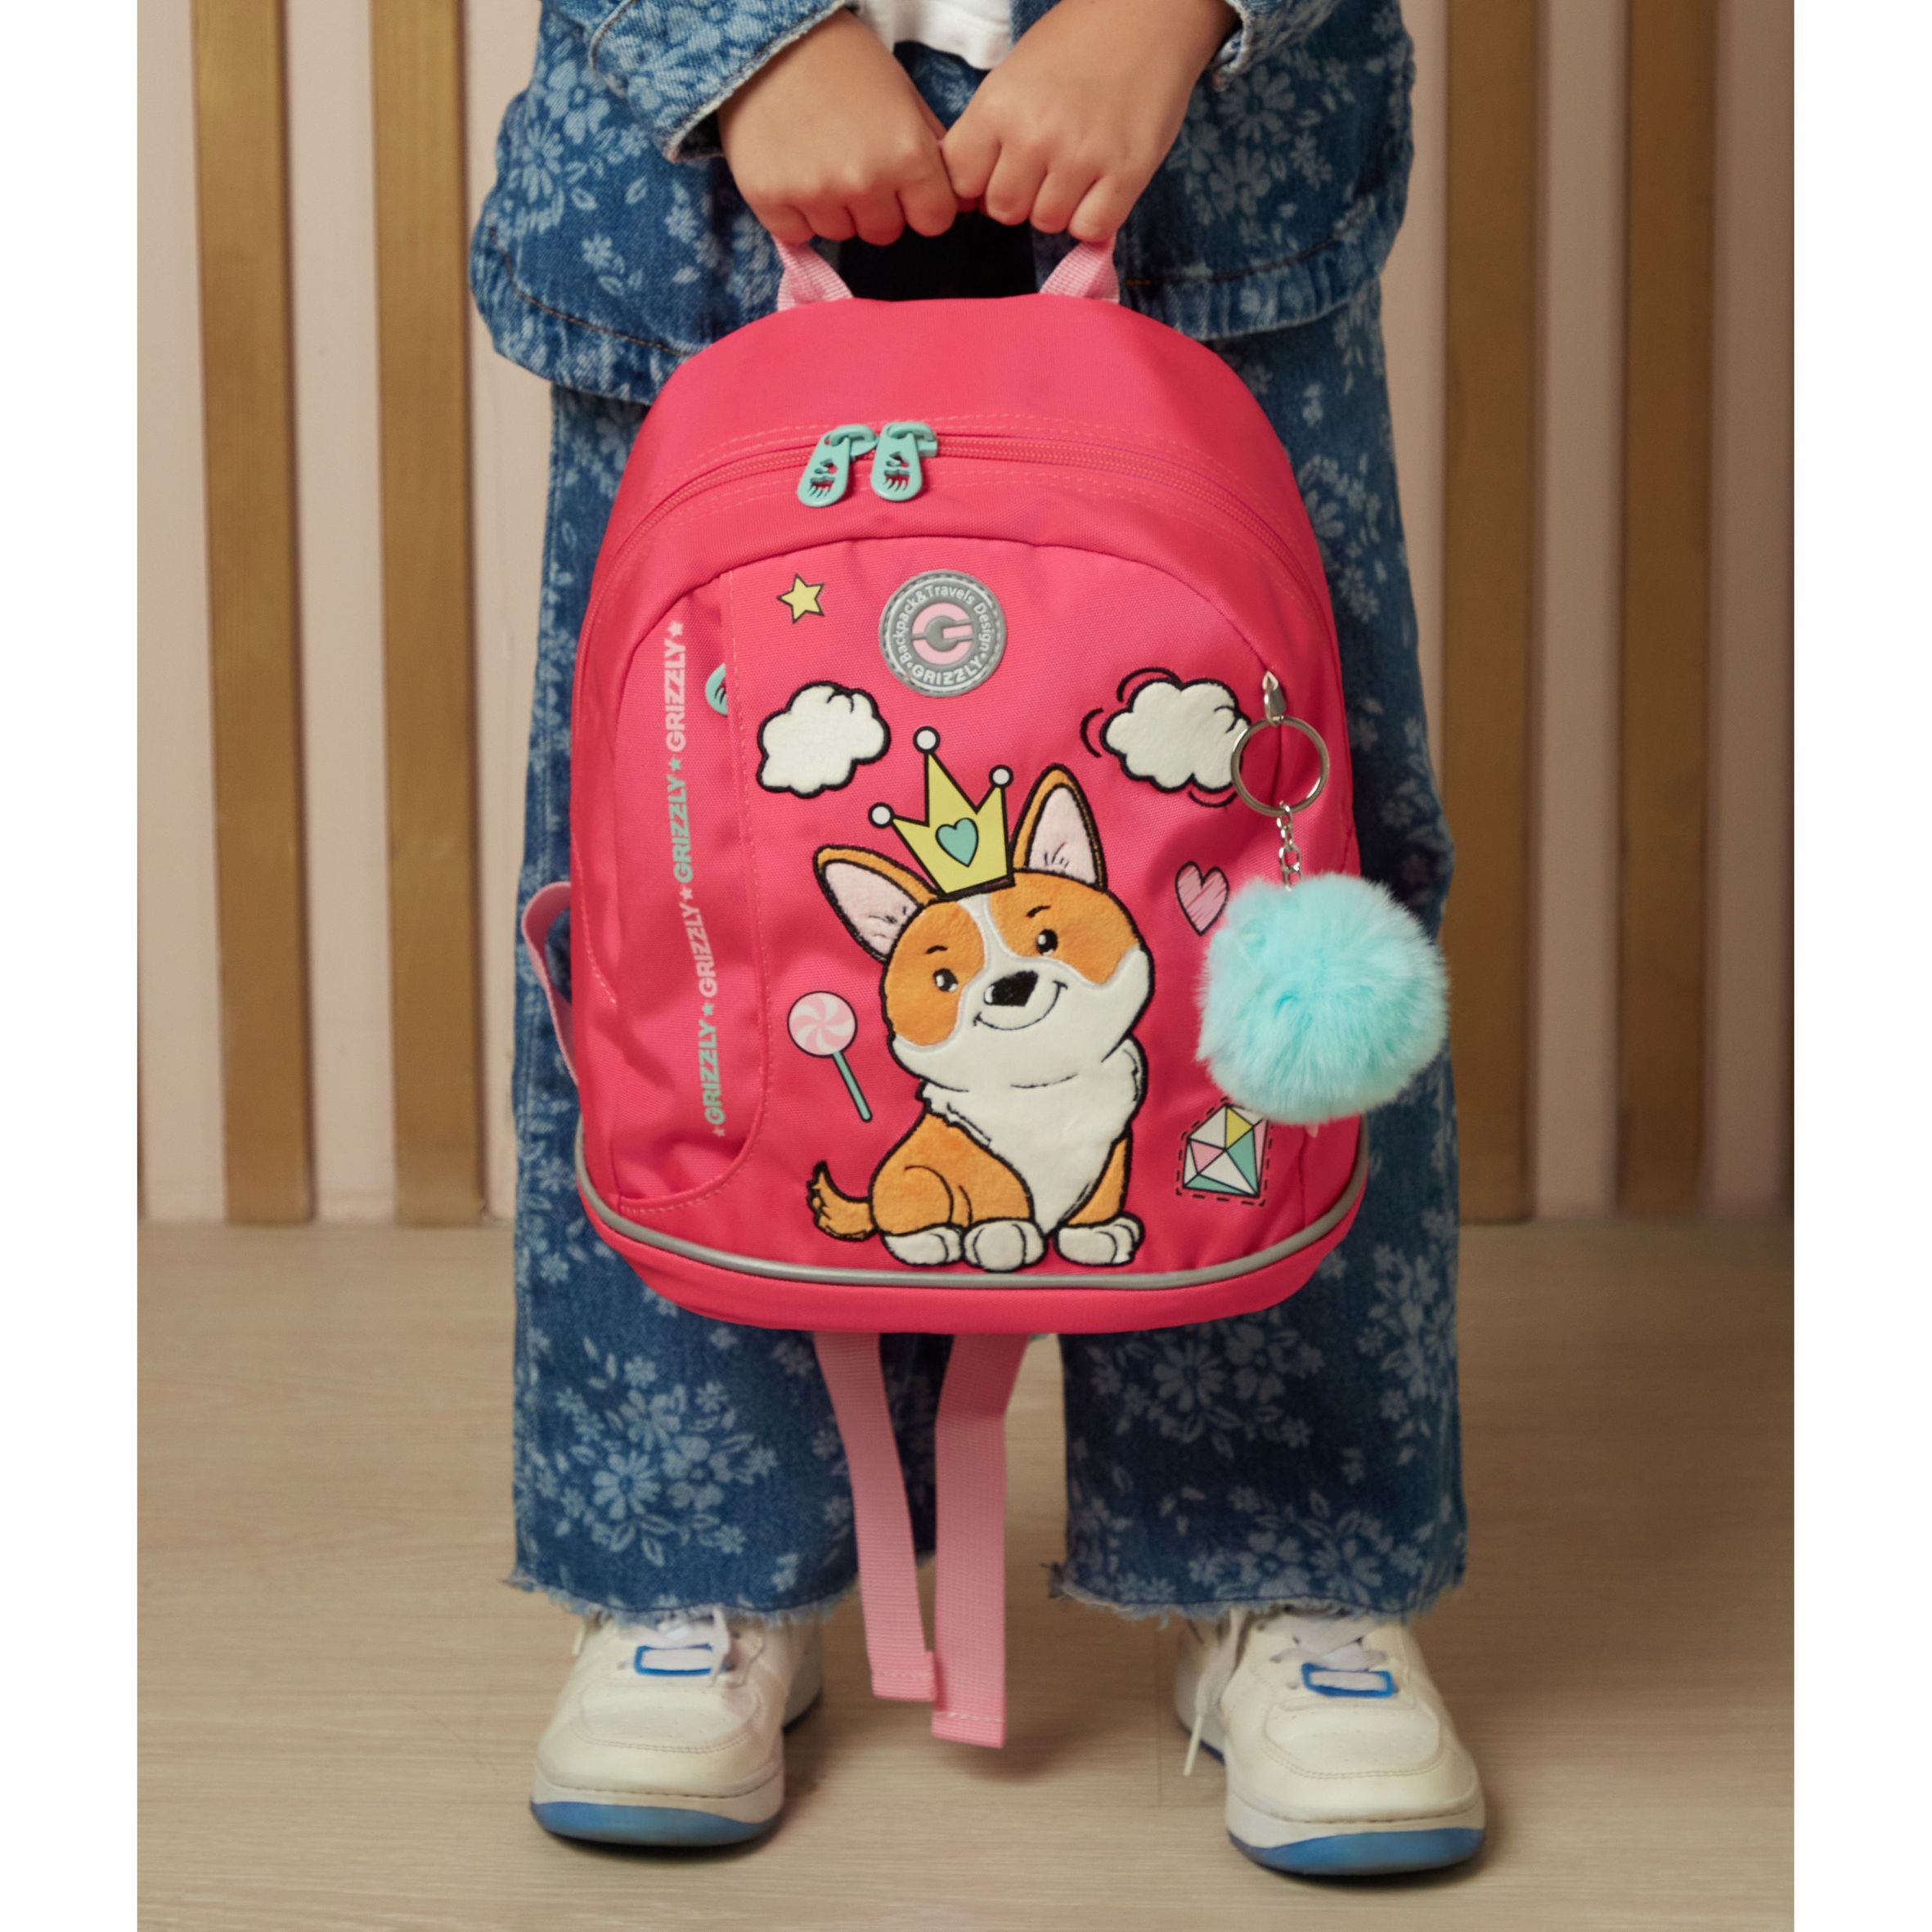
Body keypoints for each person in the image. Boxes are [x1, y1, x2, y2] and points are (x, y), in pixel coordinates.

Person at [474, 0, 1477, 1877]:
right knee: (686, 887)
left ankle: (1287, 1552)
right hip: (710, 184)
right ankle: (700, 1556)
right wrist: (744, 41)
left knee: (1265, 844)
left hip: (1201, 154)